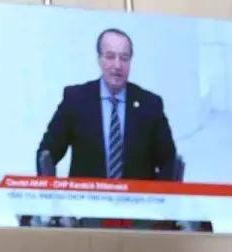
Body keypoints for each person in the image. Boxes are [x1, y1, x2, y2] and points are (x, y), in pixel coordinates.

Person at [36, 28, 178, 181]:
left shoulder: (150, 105)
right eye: (110, 57)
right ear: (99, 59)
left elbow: (168, 161)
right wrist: (51, 188)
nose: (117, 65)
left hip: (137, 196)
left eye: (124, 58)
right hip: (88, 195)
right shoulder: (76, 99)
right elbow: (47, 152)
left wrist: (157, 193)